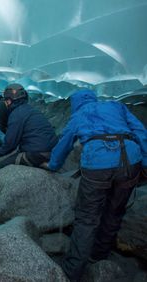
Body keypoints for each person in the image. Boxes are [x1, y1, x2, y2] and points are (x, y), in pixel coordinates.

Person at [45, 89, 147, 282]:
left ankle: (72, 270)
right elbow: (140, 131)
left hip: (98, 162)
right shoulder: (116, 106)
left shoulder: (79, 115)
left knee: (86, 218)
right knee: (115, 211)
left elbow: (65, 142)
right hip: (130, 161)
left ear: (76, 103)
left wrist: (53, 165)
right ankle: (99, 255)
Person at [0, 83, 58, 169]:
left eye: (6, 100)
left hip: (37, 153)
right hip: (53, 151)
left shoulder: (16, 114)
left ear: (9, 100)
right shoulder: (32, 110)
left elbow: (10, 144)